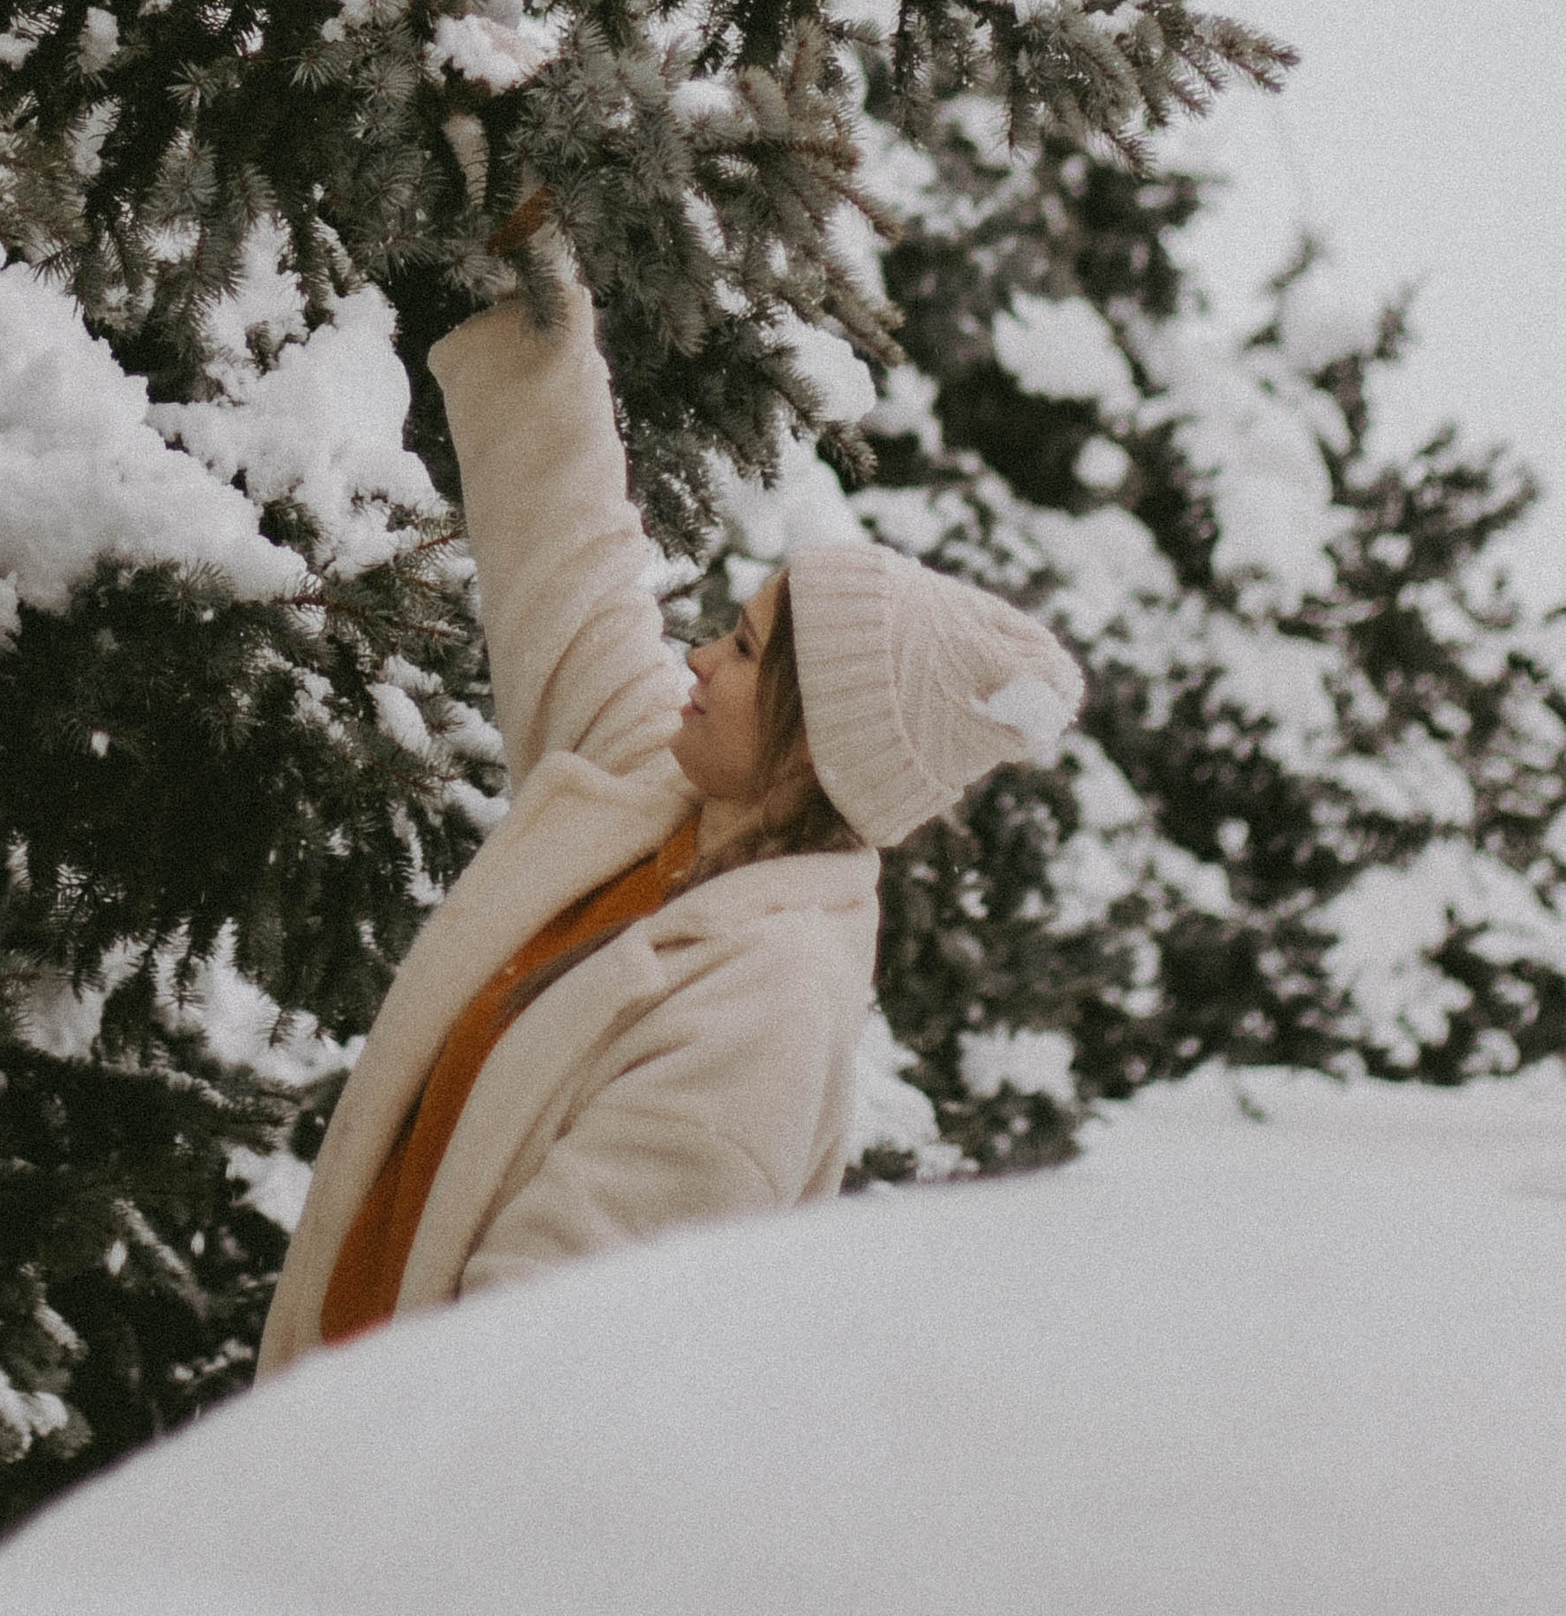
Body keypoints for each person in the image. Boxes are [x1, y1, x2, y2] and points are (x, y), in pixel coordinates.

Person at [257, 216, 1083, 1373]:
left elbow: (542, 1347)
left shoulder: (768, 1006)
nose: (697, 658)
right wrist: (516, 269)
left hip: (409, 1511)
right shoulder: (657, 807)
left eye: (743, 652)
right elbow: (571, 558)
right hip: (330, 1441)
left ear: (811, 747)